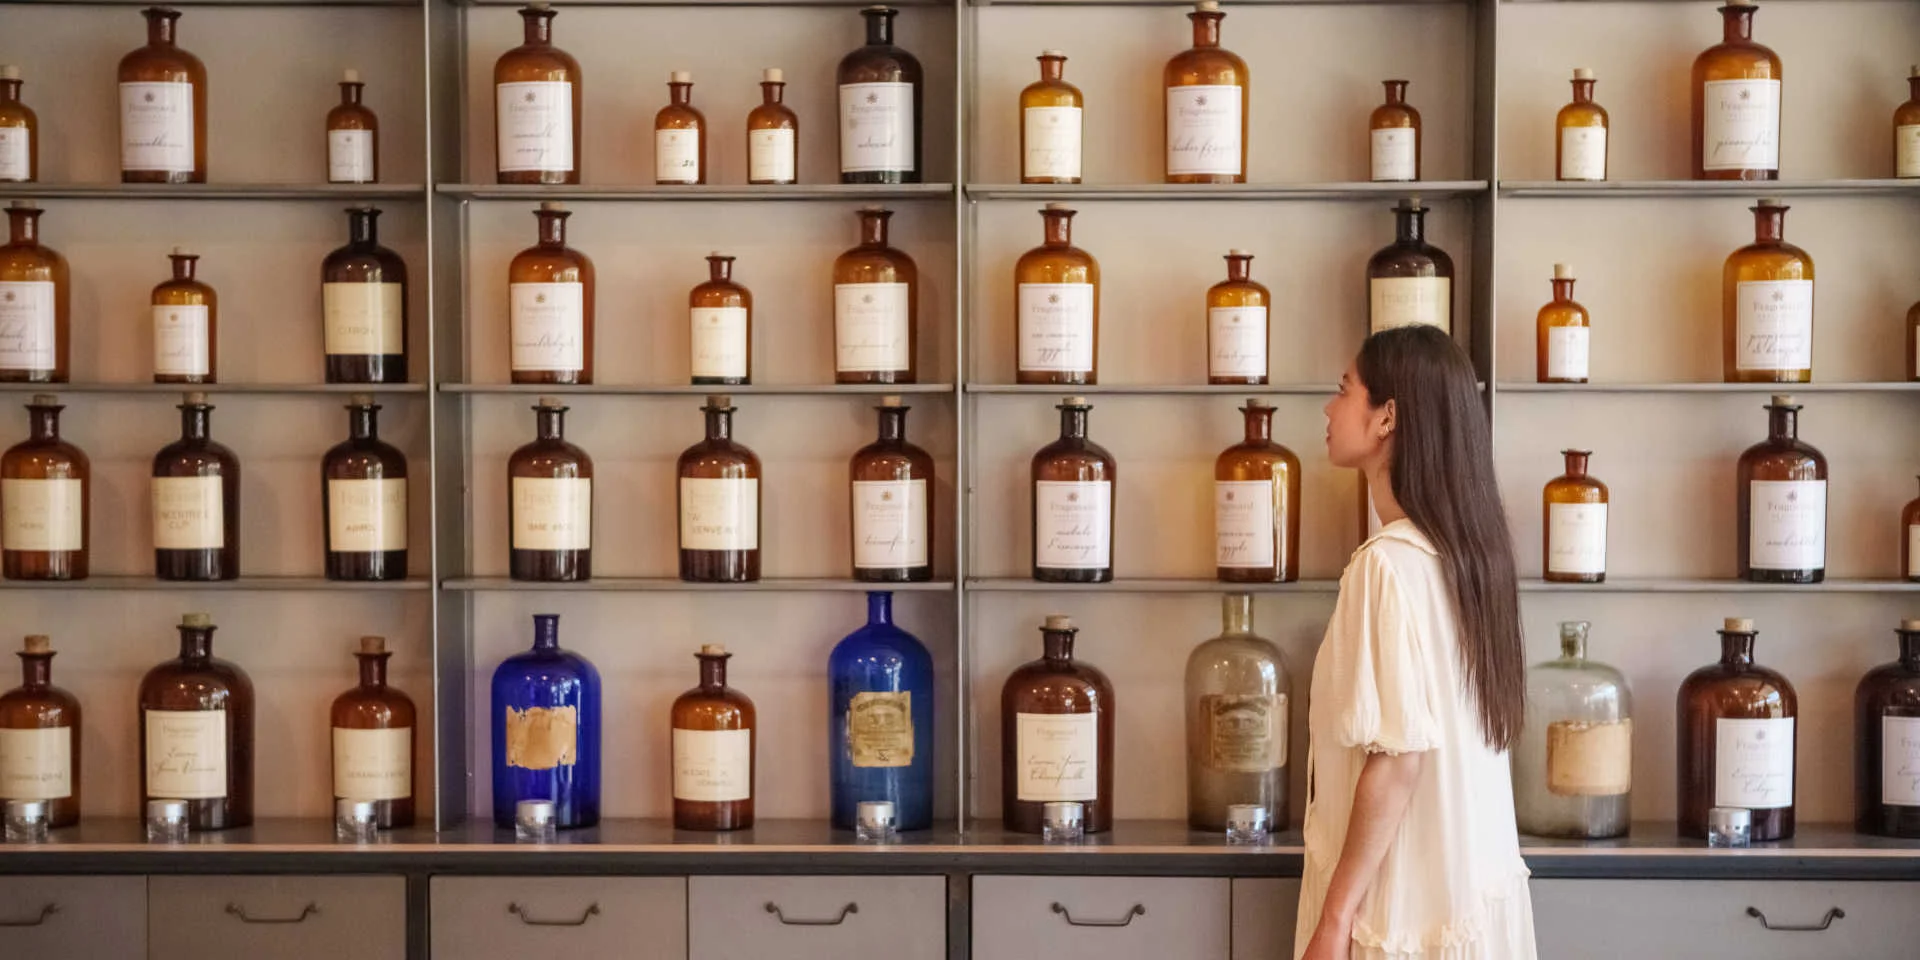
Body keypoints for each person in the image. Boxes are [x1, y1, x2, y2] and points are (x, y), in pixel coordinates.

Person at [1296, 325, 1537, 960]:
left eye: (1345, 390)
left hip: (1399, 911)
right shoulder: (1469, 562)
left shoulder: (1387, 566)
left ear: (1387, 418)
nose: (1328, 407)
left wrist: (1335, 918)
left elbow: (1398, 761)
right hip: (1465, 903)